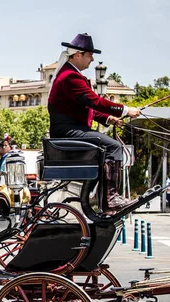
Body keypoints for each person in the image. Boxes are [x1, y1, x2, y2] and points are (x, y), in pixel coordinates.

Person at [48, 33, 141, 213]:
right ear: (78, 55)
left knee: (106, 147)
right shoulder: (70, 77)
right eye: (90, 55)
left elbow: (88, 108)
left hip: (70, 129)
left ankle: (102, 198)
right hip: (68, 131)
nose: (92, 60)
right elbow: (95, 101)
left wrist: (108, 118)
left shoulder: (70, 74)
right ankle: (110, 199)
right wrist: (125, 110)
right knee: (114, 147)